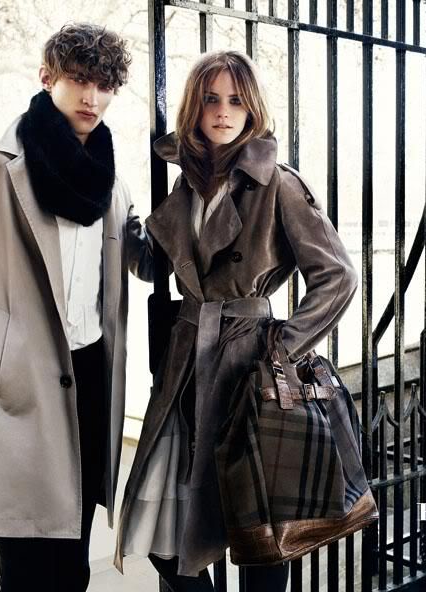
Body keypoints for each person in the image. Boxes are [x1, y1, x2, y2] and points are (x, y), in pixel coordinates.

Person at [114, 50, 358, 592]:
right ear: (194, 108)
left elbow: (338, 277)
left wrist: (281, 348)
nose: (223, 111)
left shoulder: (278, 184)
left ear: (252, 109)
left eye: (236, 100)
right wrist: (120, 212)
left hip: (249, 366)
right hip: (186, 365)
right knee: (164, 534)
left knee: (259, 531)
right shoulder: (185, 185)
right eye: (211, 99)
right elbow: (154, 264)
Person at [0, 23, 153, 591]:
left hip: (90, 385)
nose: (92, 97)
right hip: (19, 388)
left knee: (71, 569)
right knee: (25, 571)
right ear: (47, 77)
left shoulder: (113, 185)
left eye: (105, 85)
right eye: (80, 80)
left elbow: (148, 262)